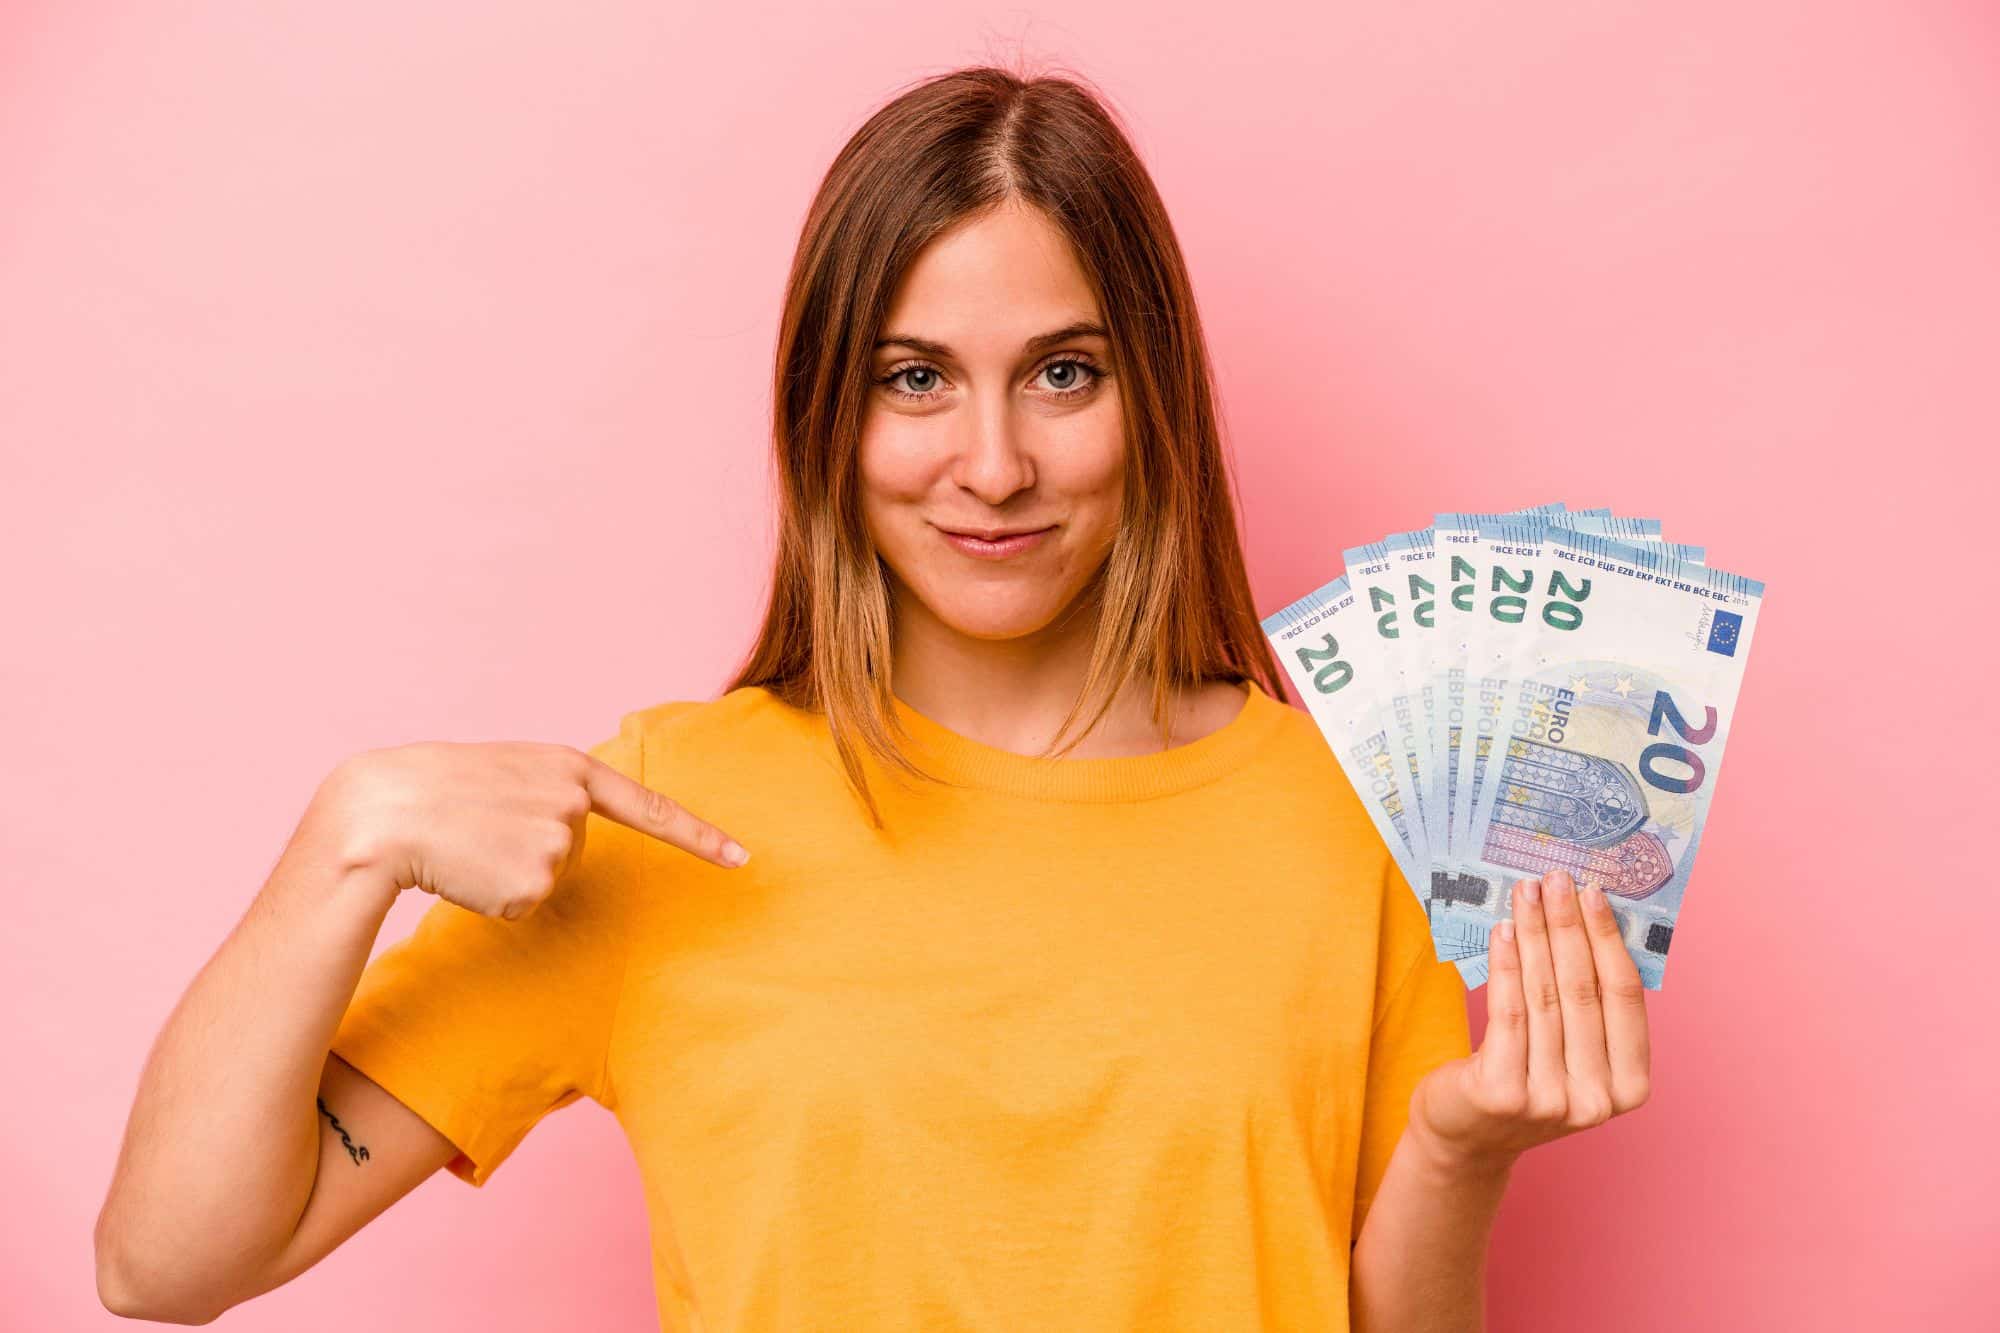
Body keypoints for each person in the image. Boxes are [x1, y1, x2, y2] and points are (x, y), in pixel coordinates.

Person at [95, 63, 1651, 1332]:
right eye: (915, 378)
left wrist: (1458, 1151)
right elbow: (164, 1267)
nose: (992, 464)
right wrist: (345, 841)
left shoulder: (1341, 809)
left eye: (1063, 372)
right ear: (825, 415)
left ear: (1152, 396)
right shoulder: (663, 816)